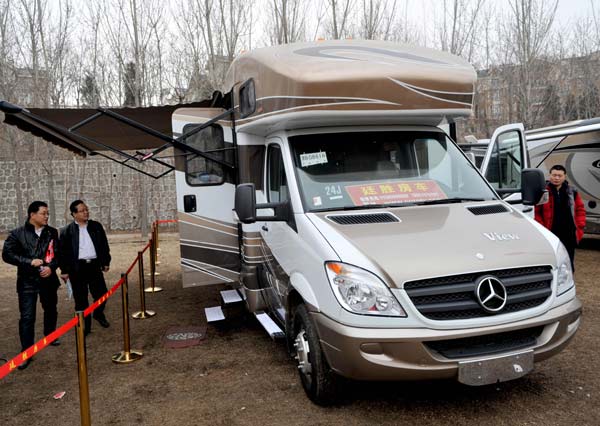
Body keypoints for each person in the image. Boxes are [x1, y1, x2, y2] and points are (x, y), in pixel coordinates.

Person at [2, 201, 61, 370]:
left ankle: (50, 335)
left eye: (47, 213)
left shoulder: (52, 232)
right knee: (27, 317)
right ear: (32, 215)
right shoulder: (17, 234)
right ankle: (26, 352)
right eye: (43, 213)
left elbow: (57, 255)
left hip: (48, 280)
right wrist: (29, 262)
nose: (47, 216)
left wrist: (51, 268)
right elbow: (7, 254)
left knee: (50, 308)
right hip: (27, 281)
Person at [59, 200, 111, 336]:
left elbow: (104, 245)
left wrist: (106, 261)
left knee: (102, 293)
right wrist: (64, 270)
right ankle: (84, 326)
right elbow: (62, 253)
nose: (86, 212)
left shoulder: (96, 226)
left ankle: (98, 314)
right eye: (82, 210)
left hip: (94, 265)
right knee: (81, 300)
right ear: (74, 214)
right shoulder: (66, 231)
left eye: (86, 209)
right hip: (77, 268)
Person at [535, 165, 586, 270]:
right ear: (550, 175)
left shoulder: (572, 192)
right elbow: (536, 212)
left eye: (559, 175)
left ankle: (568, 281)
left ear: (564, 177)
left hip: (569, 234)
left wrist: (580, 225)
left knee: (568, 261)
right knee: (552, 260)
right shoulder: (543, 192)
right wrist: (542, 228)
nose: (556, 178)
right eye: (554, 175)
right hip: (551, 233)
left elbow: (580, 209)